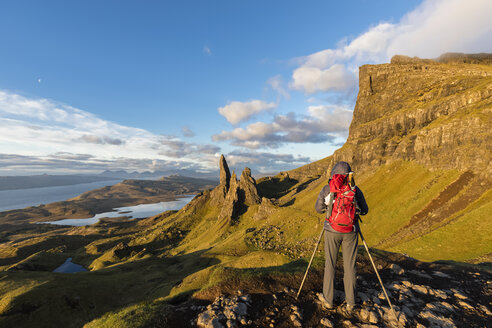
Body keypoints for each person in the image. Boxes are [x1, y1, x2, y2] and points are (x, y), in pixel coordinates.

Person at [315, 161, 368, 311]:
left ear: (334, 174)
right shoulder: (355, 190)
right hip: (351, 232)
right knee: (350, 266)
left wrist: (329, 207)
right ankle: (351, 303)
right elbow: (365, 210)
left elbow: (318, 209)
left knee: (330, 264)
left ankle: (328, 301)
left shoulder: (327, 188)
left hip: (332, 230)